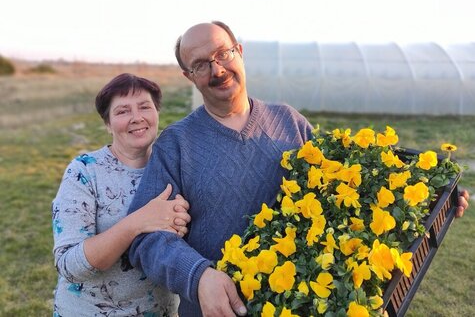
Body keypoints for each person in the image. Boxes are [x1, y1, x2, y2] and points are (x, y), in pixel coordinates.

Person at [127, 21, 470, 317]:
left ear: (240, 52)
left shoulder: (289, 122)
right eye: (200, 64)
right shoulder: (177, 144)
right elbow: (145, 239)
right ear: (189, 76)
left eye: (222, 54)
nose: (217, 69)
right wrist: (198, 275)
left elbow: (347, 197)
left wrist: (431, 201)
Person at [52, 73, 191, 316]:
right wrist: (138, 223)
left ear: (157, 113)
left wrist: (183, 223)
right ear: (108, 124)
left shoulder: (175, 166)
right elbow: (70, 265)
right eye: (122, 111)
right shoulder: (84, 171)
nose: (136, 118)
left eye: (145, 107)